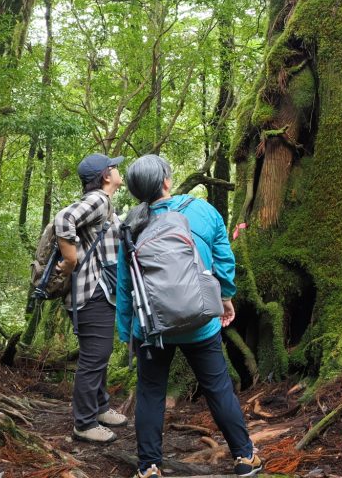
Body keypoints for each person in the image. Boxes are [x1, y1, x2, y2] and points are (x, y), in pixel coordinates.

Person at [118, 154, 262, 478]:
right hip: (200, 323)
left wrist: (126, 331)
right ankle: (244, 457)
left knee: (151, 393)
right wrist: (225, 299)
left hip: (152, 329)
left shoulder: (130, 225)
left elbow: (125, 285)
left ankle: (149, 467)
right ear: (166, 181)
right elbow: (224, 259)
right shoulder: (201, 210)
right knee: (218, 388)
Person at [55, 152, 128, 443]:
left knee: (98, 354)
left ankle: (99, 408)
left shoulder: (105, 205)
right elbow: (65, 218)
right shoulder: (99, 199)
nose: (118, 170)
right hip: (91, 294)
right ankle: (84, 423)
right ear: (105, 176)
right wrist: (69, 260)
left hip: (96, 293)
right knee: (94, 357)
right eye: (114, 167)